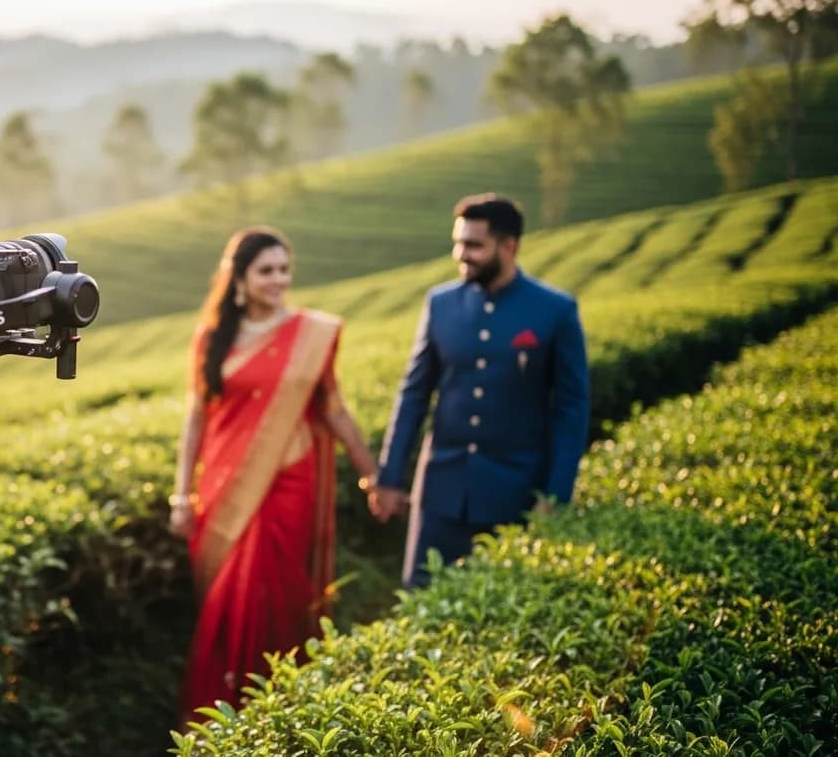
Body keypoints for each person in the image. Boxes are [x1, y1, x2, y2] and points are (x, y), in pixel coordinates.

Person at [169, 226, 381, 718]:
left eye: (285, 269)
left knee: (276, 596)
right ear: (239, 279)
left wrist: (373, 475)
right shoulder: (211, 339)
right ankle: (220, 716)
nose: (279, 280)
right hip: (223, 487)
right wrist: (182, 497)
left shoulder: (313, 334)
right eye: (266, 270)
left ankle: (281, 711)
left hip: (289, 484)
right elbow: (197, 417)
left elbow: (334, 410)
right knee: (227, 603)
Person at [370, 194, 589, 589]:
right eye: (458, 243)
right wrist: (389, 478)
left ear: (509, 246)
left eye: (474, 245)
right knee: (421, 601)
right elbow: (414, 394)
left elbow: (572, 409)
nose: (461, 254)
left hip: (516, 492)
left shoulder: (555, 309)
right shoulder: (440, 303)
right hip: (440, 492)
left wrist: (555, 495)